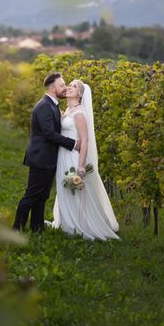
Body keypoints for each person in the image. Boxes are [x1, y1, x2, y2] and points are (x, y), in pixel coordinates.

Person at [50, 79, 119, 240]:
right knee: (65, 189)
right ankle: (68, 223)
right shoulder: (68, 110)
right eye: (70, 85)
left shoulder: (79, 113)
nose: (69, 87)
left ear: (80, 94)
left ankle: (79, 226)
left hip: (73, 156)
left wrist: (81, 165)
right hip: (63, 154)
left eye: (74, 86)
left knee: (75, 191)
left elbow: (85, 141)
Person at [12, 73, 81, 233]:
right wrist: (73, 144)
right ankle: (15, 229)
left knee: (41, 197)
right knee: (31, 196)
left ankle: (37, 228)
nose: (65, 88)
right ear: (52, 88)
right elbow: (49, 133)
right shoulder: (44, 106)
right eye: (62, 85)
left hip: (47, 159)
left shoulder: (53, 105)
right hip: (41, 159)